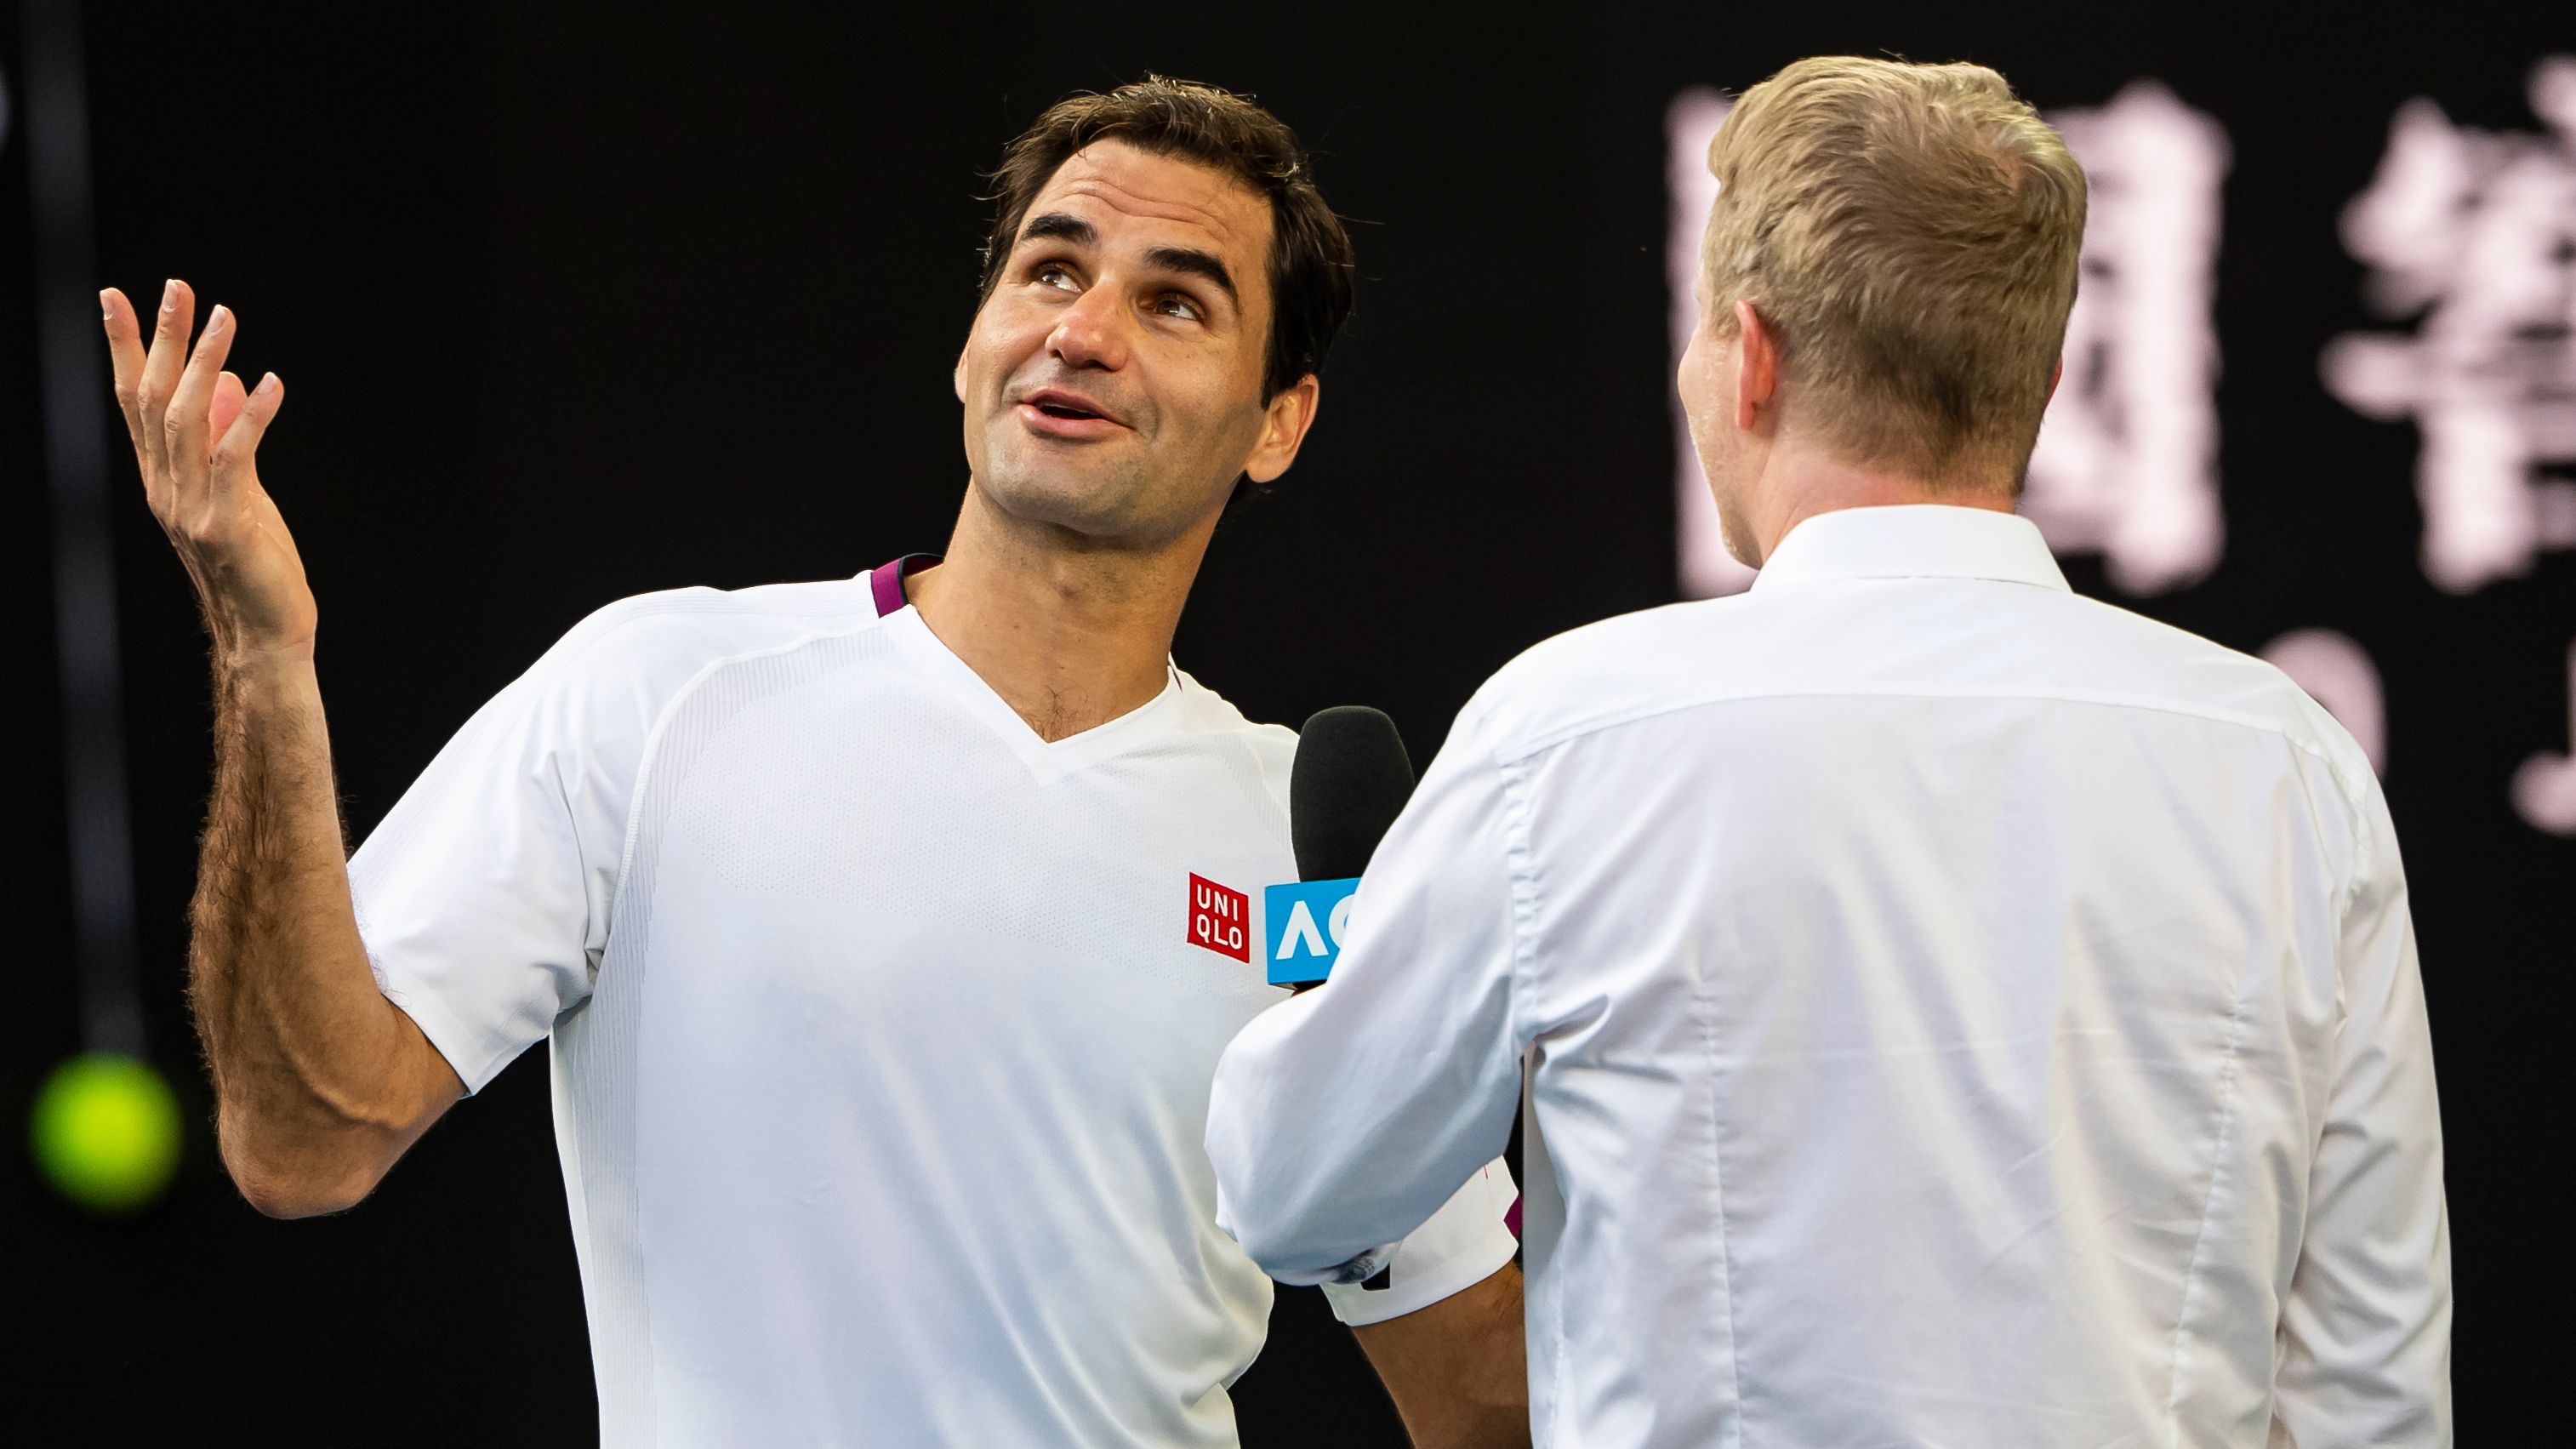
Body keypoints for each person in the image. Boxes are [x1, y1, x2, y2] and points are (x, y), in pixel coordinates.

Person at [103, 77, 1524, 1448]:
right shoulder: (656, 689)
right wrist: (260, 658)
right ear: (971, 342)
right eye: (1048, 270)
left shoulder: (1310, 838)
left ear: (1280, 422)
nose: (1082, 332)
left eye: (1173, 301)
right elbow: (302, 1138)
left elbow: (1480, 1400)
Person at [1205, 55, 2450, 1448]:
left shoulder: (1572, 735)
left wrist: (1341, 981)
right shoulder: (2289, 769)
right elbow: (2372, 1395)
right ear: (2039, 379)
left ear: (1753, 355)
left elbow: (1295, 1190)